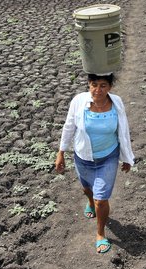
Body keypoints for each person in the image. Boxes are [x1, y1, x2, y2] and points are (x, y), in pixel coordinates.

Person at [55, 73, 134, 253]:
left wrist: (127, 157)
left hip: (108, 157)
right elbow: (69, 126)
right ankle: (89, 201)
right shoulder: (79, 101)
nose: (98, 90)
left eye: (103, 86)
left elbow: (124, 130)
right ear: (89, 85)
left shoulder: (116, 103)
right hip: (83, 157)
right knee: (87, 189)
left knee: (101, 199)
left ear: (110, 87)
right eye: (94, 85)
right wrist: (61, 152)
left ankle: (100, 233)